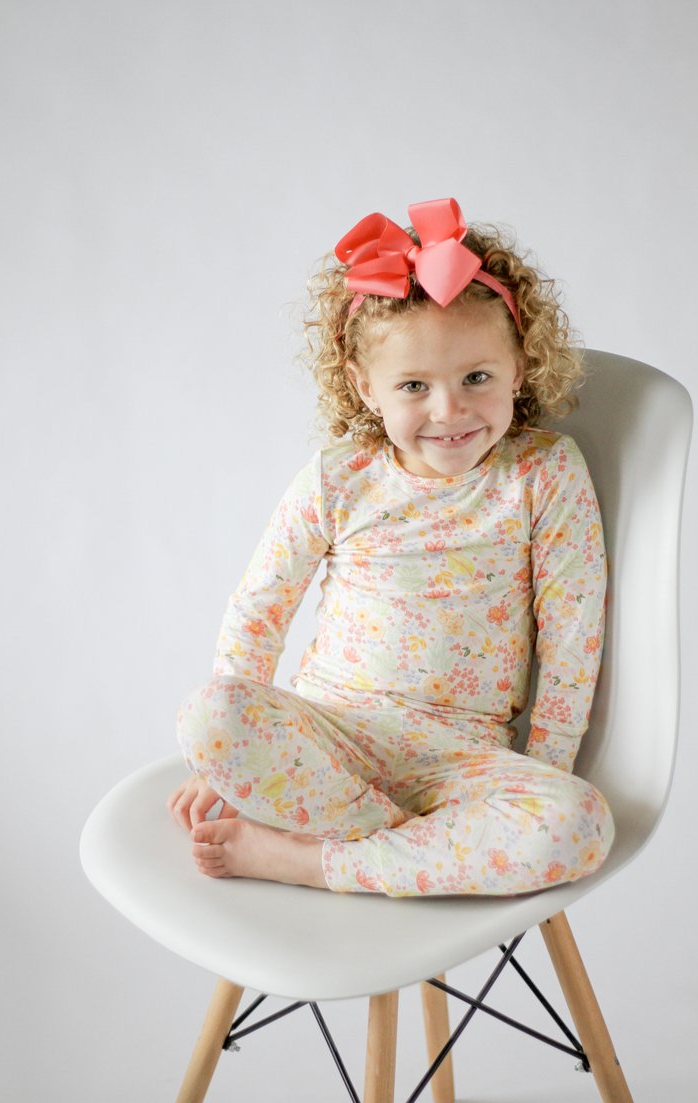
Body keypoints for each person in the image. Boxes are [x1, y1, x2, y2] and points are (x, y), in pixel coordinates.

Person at [167, 196, 615, 897]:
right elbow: (260, 608)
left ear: (521, 365)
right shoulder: (340, 476)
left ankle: (314, 859)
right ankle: (406, 851)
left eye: (476, 377)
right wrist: (219, 761)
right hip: (330, 738)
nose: (450, 410)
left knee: (579, 823)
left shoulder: (543, 473)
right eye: (414, 385)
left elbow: (572, 637)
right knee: (208, 714)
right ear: (364, 388)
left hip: (460, 760)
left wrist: (545, 768)